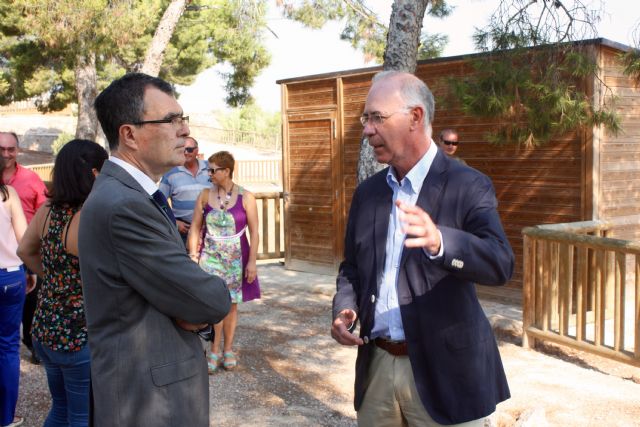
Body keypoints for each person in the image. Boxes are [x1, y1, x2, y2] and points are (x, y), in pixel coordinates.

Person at [331, 71, 514, 427]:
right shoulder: (369, 193)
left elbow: (500, 262)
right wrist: (344, 307)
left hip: (446, 374)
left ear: (415, 117)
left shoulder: (469, 184)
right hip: (377, 368)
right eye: (365, 118)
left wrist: (441, 242)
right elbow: (351, 268)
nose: (367, 129)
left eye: (377, 118)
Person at [78, 73, 231, 427]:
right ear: (129, 135)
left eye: (183, 118)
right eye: (170, 120)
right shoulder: (124, 205)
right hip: (148, 403)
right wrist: (203, 302)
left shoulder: (131, 194)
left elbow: (187, 297)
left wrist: (190, 308)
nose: (183, 130)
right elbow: (209, 299)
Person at [17, 139, 108, 427]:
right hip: (77, 335)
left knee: (60, 409)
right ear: (95, 172)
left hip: (45, 328)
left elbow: (25, 251)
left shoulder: (48, 211)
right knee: (82, 416)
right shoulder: (89, 216)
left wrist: (53, 279)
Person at [187, 150, 260, 373]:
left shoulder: (246, 197)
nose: (208, 173)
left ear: (226, 171)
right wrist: (193, 256)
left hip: (236, 258)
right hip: (210, 256)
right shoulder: (204, 195)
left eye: (212, 170)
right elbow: (195, 228)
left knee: (231, 306)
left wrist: (252, 263)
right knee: (212, 306)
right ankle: (214, 350)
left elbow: (255, 232)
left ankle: (228, 349)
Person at [0, 131, 47, 365]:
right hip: (10, 261)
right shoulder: (9, 192)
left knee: (31, 306)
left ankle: (32, 343)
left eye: (11, 149)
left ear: (17, 150)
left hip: (23, 255)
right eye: (1, 149)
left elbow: (44, 210)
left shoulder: (31, 179)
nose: (6, 153)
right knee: (7, 342)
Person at [0, 156, 29, 427]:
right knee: (8, 347)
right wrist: (31, 270)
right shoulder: (8, 194)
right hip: (9, 276)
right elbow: (24, 238)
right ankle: (5, 416)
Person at [159, 136, 210, 244]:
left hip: (211, 229)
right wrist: (174, 222)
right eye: (183, 150)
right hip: (184, 231)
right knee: (186, 260)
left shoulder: (210, 167)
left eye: (190, 149)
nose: (186, 152)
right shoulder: (170, 173)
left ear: (197, 150)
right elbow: (159, 203)